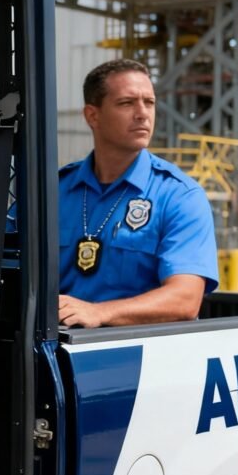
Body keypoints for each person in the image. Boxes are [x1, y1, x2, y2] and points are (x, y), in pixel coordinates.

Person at [58, 58, 218, 328]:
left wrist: (99, 312)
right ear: (92, 116)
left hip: (140, 357)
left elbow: (185, 299)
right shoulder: (56, 191)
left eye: (149, 102)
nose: (143, 113)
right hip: (54, 350)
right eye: (126, 103)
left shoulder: (179, 196)